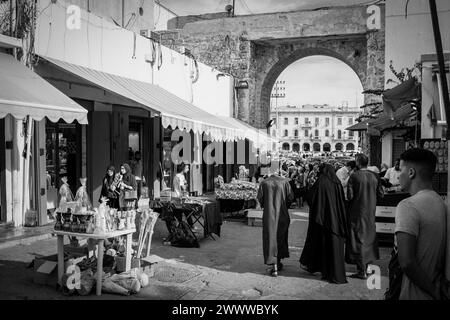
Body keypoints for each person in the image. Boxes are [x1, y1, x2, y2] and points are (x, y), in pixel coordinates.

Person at [394, 148, 447, 300]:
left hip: (415, 293)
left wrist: (434, 291)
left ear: (411, 173)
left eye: (400, 169)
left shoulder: (408, 205)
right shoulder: (439, 202)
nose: (398, 175)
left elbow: (406, 262)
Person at [300, 164, 348, 284]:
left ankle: (323, 270)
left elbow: (311, 198)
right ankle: (331, 272)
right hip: (335, 220)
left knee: (322, 245)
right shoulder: (337, 182)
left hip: (323, 220)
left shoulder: (321, 181)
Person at [346, 154, 384, 279]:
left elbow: (349, 196)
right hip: (370, 212)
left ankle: (361, 270)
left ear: (357, 162)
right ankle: (367, 267)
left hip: (357, 212)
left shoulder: (354, 176)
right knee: (369, 238)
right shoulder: (375, 176)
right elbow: (381, 195)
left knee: (358, 239)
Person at [257, 168, 294, 277]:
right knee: (280, 238)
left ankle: (274, 266)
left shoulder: (264, 183)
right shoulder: (285, 182)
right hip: (282, 215)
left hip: (269, 216)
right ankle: (277, 263)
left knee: (270, 239)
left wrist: (267, 205)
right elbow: (290, 198)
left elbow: (260, 199)